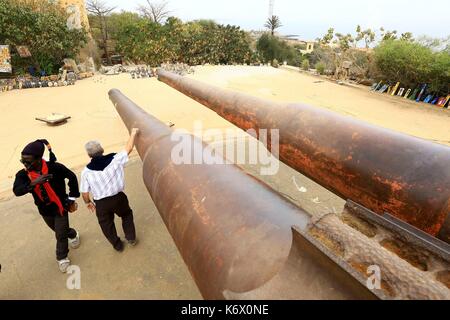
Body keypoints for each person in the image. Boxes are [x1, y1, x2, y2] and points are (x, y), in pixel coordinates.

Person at [13, 140, 80, 273]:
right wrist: (33, 183)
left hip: (60, 207)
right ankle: (73, 234)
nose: (25, 164)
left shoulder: (55, 168)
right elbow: (17, 191)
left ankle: (62, 257)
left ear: (39, 158)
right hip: (44, 210)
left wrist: (72, 197)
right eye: (23, 161)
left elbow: (72, 177)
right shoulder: (23, 175)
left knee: (60, 235)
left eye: (28, 161)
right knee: (59, 230)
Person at [80, 129, 139, 252]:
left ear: (89, 155)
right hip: (118, 198)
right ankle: (131, 238)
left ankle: (117, 245)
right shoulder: (115, 159)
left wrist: (88, 202)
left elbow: (84, 193)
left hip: (101, 203)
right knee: (126, 214)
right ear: (101, 150)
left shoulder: (86, 172)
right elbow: (129, 148)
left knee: (106, 225)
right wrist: (133, 133)